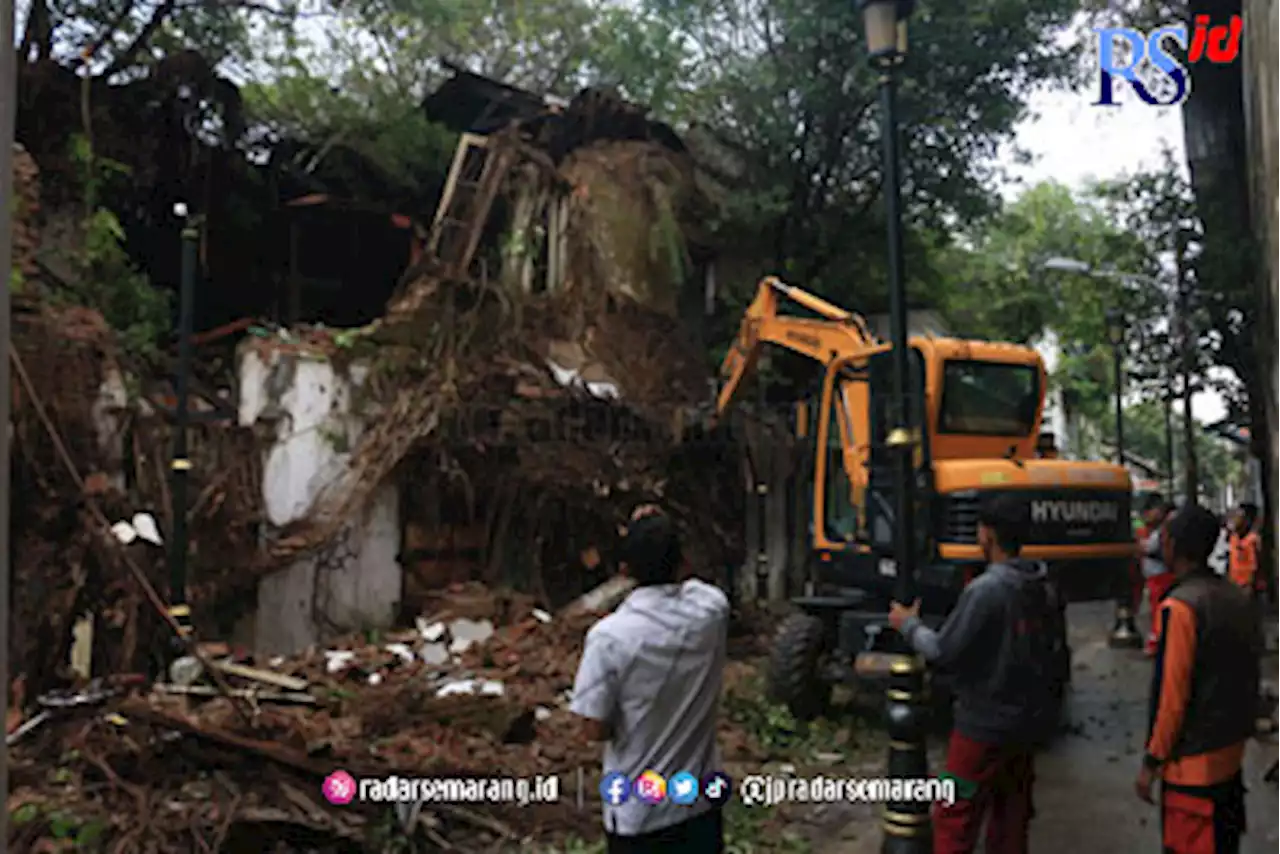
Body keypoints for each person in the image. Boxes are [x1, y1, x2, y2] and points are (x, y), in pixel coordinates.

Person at [889, 492, 1063, 854]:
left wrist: (908, 626)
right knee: (1011, 818)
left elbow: (943, 652)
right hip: (1026, 724)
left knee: (955, 815)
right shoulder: (1042, 583)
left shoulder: (986, 591)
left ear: (987, 534)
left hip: (980, 728)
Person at [570, 505, 730, 853]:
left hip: (640, 815)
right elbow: (696, 586)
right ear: (682, 562)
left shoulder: (609, 638)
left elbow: (592, 729)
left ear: (624, 570)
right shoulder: (711, 613)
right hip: (699, 807)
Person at [1135, 503, 1260, 854]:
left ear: (1172, 546)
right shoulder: (1235, 598)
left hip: (1190, 770)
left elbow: (1172, 695)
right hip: (1230, 757)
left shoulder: (1181, 607)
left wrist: (1151, 762)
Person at [1137, 495, 1176, 656]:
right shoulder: (1157, 530)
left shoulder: (1163, 530)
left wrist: (1139, 547)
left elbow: (1150, 549)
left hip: (1160, 578)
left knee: (1158, 612)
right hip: (1155, 577)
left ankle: (1157, 643)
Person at [1227, 503, 1262, 595]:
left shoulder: (1252, 540)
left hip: (1246, 587)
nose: (1235, 519)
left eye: (1239, 515)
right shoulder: (1233, 538)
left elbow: (1254, 567)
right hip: (1234, 585)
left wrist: (1250, 586)